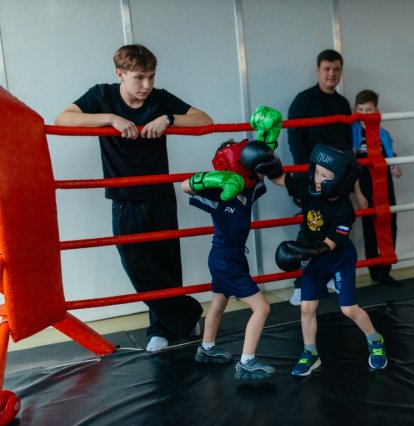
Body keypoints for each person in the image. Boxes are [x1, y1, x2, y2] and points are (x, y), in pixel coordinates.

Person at [54, 44, 210, 352]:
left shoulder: (160, 99)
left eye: (151, 77)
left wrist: (169, 119)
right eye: (139, 77)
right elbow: (62, 119)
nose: (146, 85)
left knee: (166, 265)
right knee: (137, 265)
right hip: (125, 198)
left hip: (160, 194)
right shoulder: (102, 95)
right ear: (120, 74)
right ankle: (186, 315)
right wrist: (110, 118)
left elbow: (204, 120)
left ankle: (162, 328)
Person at [241, 139, 388, 376]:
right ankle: (310, 353)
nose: (318, 179)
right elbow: (280, 179)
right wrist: (269, 163)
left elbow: (329, 245)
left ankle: (375, 340)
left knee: (349, 309)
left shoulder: (344, 210)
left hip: (338, 258)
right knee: (307, 306)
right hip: (314, 257)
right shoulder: (309, 188)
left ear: (340, 180)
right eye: (317, 173)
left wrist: (304, 253)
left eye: (325, 176)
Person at [183, 137, 278, 380]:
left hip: (231, 257)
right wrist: (214, 179)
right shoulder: (218, 192)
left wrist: (268, 139)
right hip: (224, 259)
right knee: (262, 308)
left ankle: (207, 348)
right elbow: (185, 186)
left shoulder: (249, 186)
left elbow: (266, 162)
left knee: (218, 304)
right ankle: (247, 362)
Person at [286, 49, 354, 305]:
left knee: (336, 226)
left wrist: (348, 179)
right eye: (327, 69)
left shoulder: (342, 103)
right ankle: (300, 284)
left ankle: (330, 275)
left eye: (336, 69)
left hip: (338, 180)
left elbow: (346, 142)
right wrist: (306, 177)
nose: (331, 73)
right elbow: (295, 140)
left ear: (340, 72)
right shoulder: (303, 101)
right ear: (318, 71)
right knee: (309, 228)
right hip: (313, 179)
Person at [352, 89, 402, 287]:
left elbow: (391, 158)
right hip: (364, 187)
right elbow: (352, 164)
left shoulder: (383, 134)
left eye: (369, 110)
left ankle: (386, 270)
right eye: (361, 110)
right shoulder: (353, 133)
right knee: (370, 229)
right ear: (356, 110)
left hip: (384, 186)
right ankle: (375, 272)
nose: (365, 114)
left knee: (390, 225)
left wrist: (396, 168)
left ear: (377, 111)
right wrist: (358, 192)